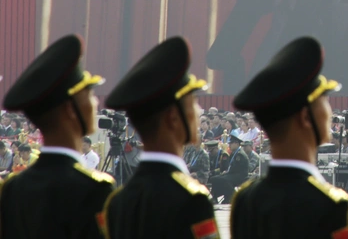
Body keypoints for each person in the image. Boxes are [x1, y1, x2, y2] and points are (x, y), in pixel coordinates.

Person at [229, 36, 348, 239]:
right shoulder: (331, 205)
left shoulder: (246, 200)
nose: (330, 113)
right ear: (305, 117)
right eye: (324, 101)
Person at [101, 36, 219, 239]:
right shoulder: (192, 199)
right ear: (173, 117)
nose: (199, 112)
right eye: (193, 103)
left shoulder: (118, 202)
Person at [0, 34, 112, 239]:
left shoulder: (13, 189)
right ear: (70, 109)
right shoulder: (94, 189)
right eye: (89, 94)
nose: (95, 103)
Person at [209, 132, 249, 203]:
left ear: (236, 143)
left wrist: (227, 173)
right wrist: (227, 172)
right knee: (214, 179)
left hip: (240, 175)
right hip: (233, 174)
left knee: (224, 179)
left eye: (231, 143)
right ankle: (215, 196)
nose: (229, 145)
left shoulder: (240, 154)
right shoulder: (234, 153)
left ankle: (231, 196)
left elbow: (237, 169)